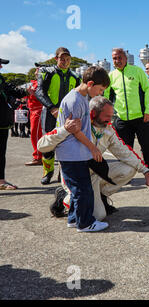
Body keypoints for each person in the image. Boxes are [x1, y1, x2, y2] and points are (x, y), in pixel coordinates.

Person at [38, 96, 149, 220]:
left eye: (111, 116)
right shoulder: (77, 124)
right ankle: (64, 197)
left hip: (95, 174)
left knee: (129, 169)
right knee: (99, 216)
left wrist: (145, 170)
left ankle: (100, 197)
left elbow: (124, 152)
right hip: (75, 177)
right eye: (107, 116)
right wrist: (65, 130)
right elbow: (41, 145)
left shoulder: (108, 129)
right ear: (93, 113)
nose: (110, 120)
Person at [53, 65, 109, 232]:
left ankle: (73, 219)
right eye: (99, 90)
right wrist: (93, 147)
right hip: (72, 154)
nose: (99, 94)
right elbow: (75, 131)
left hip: (75, 153)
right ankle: (85, 223)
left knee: (79, 189)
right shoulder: (76, 100)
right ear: (90, 83)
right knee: (83, 190)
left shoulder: (81, 97)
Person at [104, 48, 149, 179]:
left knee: (147, 147)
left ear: (126, 58)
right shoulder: (111, 76)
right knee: (126, 150)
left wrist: (148, 111)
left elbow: (148, 91)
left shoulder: (137, 71)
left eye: (119, 58)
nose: (117, 61)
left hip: (141, 118)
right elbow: (106, 98)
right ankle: (127, 174)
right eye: (114, 59)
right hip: (122, 119)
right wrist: (108, 117)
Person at [35, 47, 81, 185]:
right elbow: (39, 91)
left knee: (66, 144)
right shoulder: (46, 72)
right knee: (49, 144)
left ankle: (63, 174)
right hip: (50, 113)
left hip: (67, 116)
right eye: (62, 59)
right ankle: (47, 172)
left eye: (68, 59)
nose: (65, 62)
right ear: (56, 59)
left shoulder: (75, 76)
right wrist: (52, 108)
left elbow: (78, 96)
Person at [0, 58, 27, 190]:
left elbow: (12, 90)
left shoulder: (1, 80)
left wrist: (28, 91)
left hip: (3, 122)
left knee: (1, 152)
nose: (1, 67)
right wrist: (10, 100)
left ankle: (1, 180)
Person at [25, 68, 44, 166]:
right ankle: (39, 155)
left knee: (36, 134)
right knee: (35, 133)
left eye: (39, 71)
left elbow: (44, 96)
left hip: (38, 110)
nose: (37, 73)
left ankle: (38, 157)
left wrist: (32, 93)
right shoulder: (35, 83)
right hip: (32, 110)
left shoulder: (42, 84)